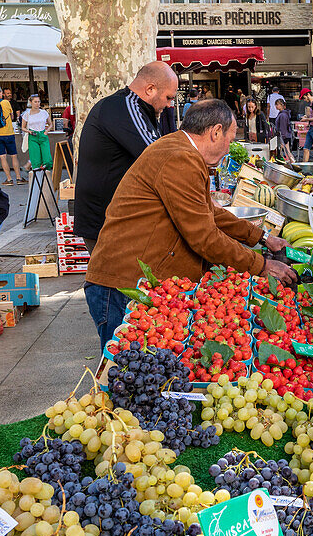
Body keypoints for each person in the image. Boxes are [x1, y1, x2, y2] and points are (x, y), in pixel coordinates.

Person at [84, 100, 296, 350]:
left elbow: (210, 212)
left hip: (134, 278)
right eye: (229, 140)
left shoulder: (181, 150)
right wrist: (260, 265)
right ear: (215, 132)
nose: (228, 149)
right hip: (124, 284)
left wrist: (261, 237)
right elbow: (204, 236)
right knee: (125, 372)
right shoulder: (180, 158)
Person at [74, 61, 178, 253]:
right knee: (116, 281)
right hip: (106, 222)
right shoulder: (125, 106)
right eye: (168, 98)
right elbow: (159, 157)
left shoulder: (139, 109)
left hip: (116, 221)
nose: (169, 105)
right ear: (150, 89)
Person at [0, 87, 24, 186]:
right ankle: (18, 178)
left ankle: (9, 180)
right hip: (9, 133)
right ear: (1, 93)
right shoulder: (6, 102)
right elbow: (12, 116)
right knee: (14, 156)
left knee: (2, 157)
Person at [21, 95, 51, 172]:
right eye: (35, 102)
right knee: (35, 161)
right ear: (31, 102)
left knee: (47, 160)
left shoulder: (44, 112)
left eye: (38, 101)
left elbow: (51, 124)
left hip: (43, 135)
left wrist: (46, 131)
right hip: (33, 136)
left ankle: (46, 178)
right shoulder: (27, 114)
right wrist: (28, 131)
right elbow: (23, 127)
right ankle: (37, 179)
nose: (37, 103)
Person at [274, 98, 293, 163]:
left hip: (283, 136)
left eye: (277, 104)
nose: (276, 106)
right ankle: (292, 163)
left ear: (281, 105)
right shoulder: (283, 113)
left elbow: (283, 127)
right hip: (284, 135)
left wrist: (283, 138)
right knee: (287, 152)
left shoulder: (283, 115)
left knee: (287, 152)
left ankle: (293, 163)